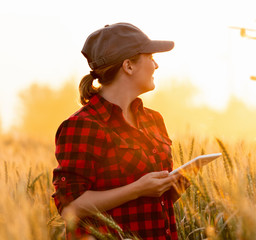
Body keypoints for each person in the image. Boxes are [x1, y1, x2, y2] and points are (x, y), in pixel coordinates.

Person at [52, 22, 187, 240]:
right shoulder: (83, 125)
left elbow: (155, 201)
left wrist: (172, 185)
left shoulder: (153, 119)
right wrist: (138, 189)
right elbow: (70, 208)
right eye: (150, 57)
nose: (156, 65)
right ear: (128, 66)